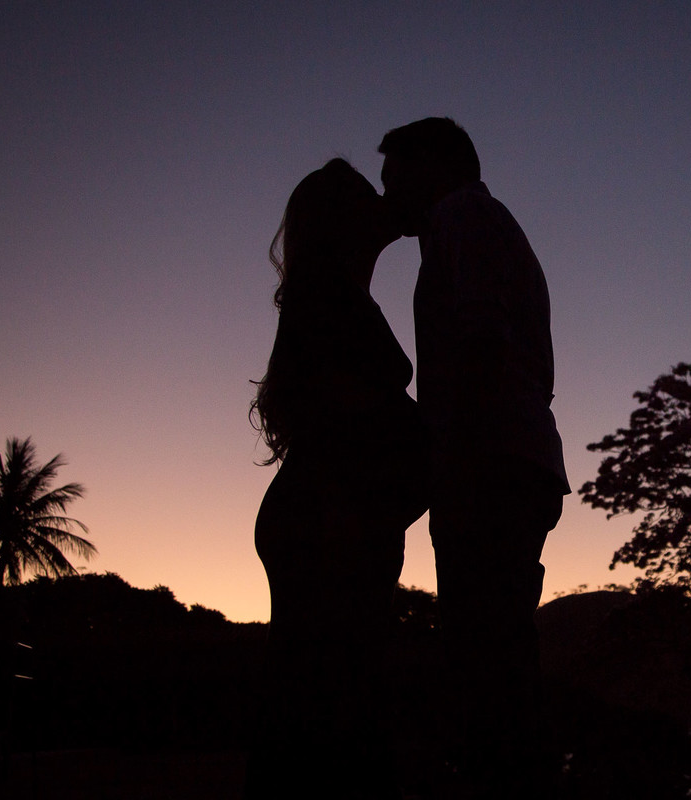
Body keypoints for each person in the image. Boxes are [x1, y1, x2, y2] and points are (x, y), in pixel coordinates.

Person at [378, 117, 570, 800]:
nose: (386, 194)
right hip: (506, 459)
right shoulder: (466, 226)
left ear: (433, 165)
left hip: (491, 464)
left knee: (487, 656)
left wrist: (450, 460)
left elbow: (480, 341)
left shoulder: (463, 217)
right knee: (496, 652)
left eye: (393, 177)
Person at [246, 158, 427, 800]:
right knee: (332, 699)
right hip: (328, 519)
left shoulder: (332, 298)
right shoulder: (331, 301)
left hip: (325, 513)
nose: (382, 199)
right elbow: (361, 422)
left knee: (317, 692)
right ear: (343, 220)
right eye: (366, 195)